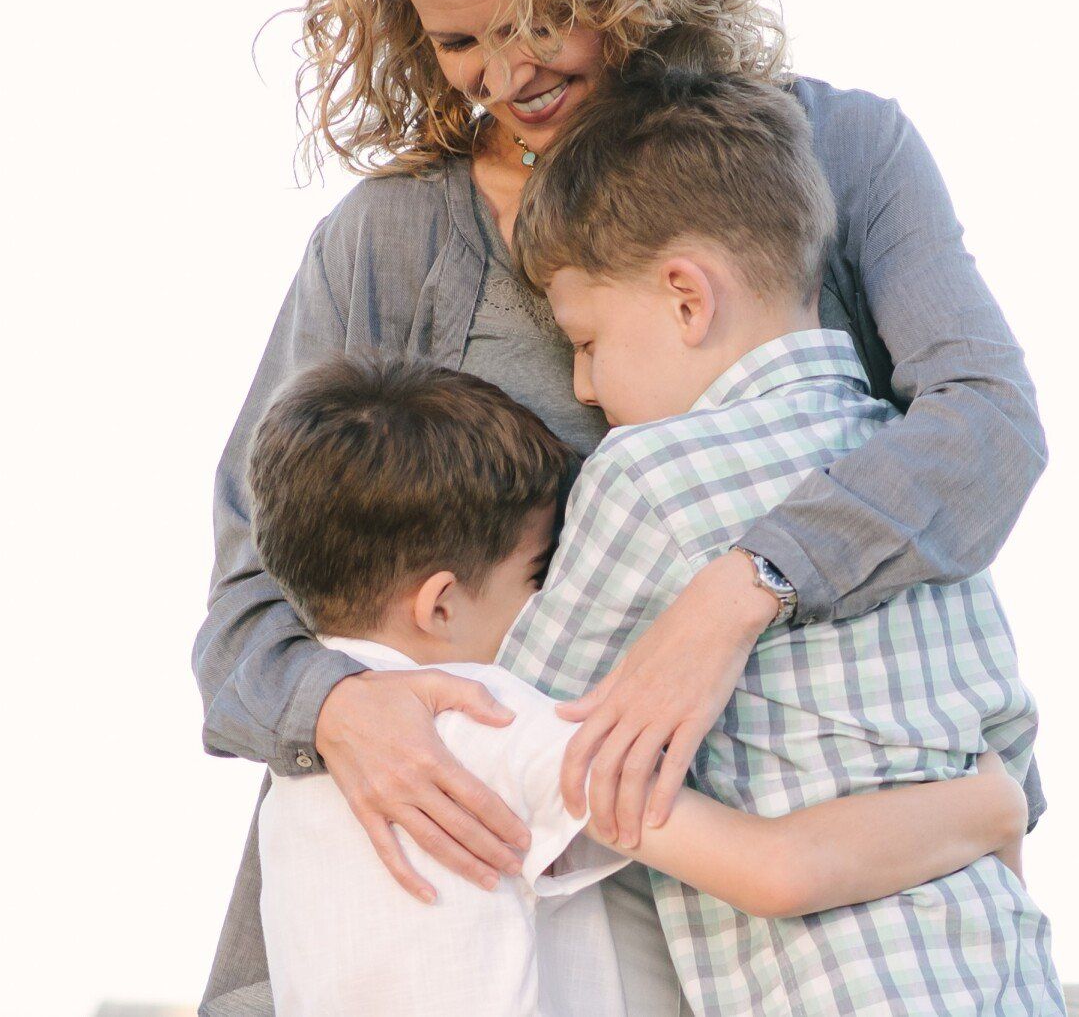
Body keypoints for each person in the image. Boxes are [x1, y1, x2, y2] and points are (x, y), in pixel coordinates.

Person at [193, 0, 1046, 1014]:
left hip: (787, 932)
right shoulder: (392, 242)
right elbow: (249, 602)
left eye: (541, 15)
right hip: (440, 895)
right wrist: (336, 709)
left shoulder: (835, 155)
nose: (505, 73)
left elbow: (985, 432)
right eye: (460, 40)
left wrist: (739, 589)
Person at [495, 51, 1061, 1012]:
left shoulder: (647, 476)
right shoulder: (912, 488)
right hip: (1001, 974)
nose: (584, 387)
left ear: (687, 296)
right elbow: (1009, 761)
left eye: (585, 343)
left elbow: (521, 728)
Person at [248, 353, 1029, 1017]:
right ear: (441, 603)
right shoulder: (481, 723)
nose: (550, 599)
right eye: (537, 573)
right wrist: (990, 807)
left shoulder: (297, 777)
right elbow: (776, 870)